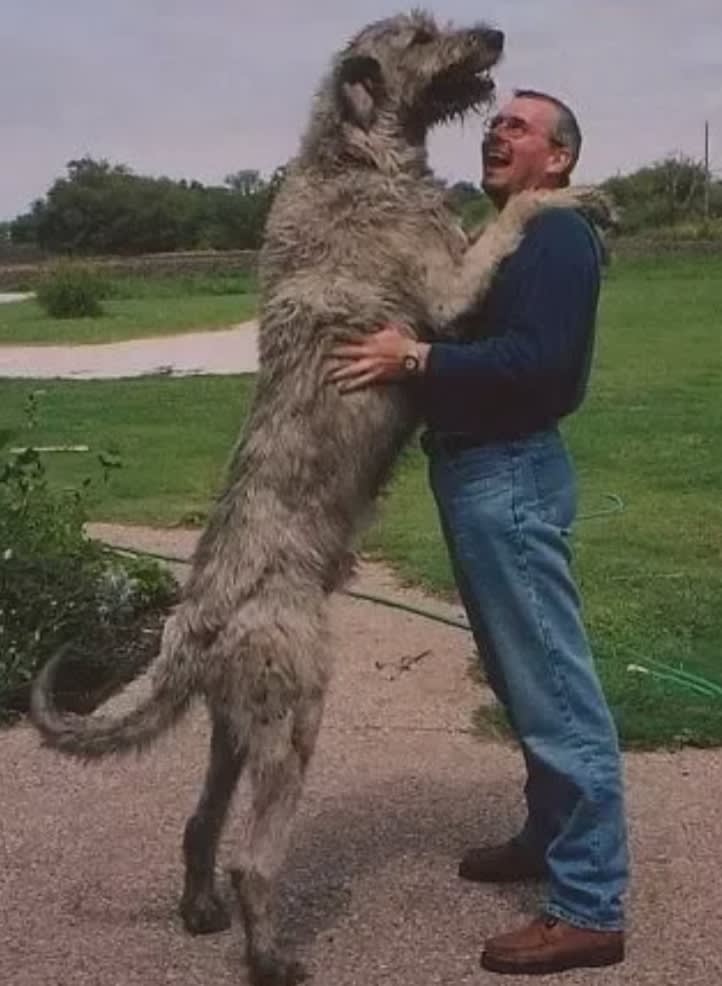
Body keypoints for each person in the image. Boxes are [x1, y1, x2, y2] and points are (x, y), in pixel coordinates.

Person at [327, 90, 629, 975]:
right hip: (474, 473)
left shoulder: (556, 237)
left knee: (556, 695)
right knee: (520, 677)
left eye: (521, 126)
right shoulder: (503, 239)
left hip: (510, 474)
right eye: (495, 122)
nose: (498, 131)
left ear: (560, 159)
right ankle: (547, 837)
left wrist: (416, 358)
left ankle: (589, 905)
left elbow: (542, 366)